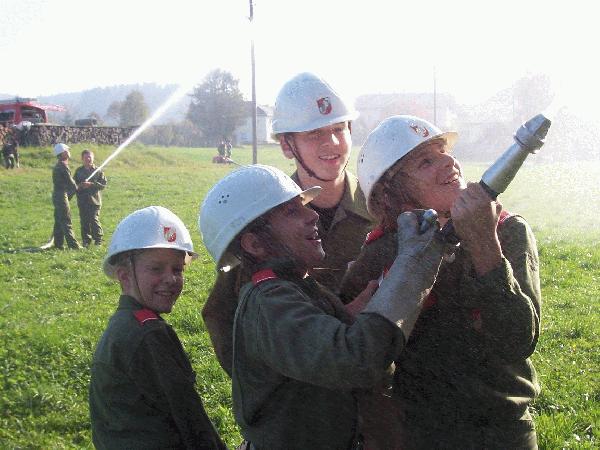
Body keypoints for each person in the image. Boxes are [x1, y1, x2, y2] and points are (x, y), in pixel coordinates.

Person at [199, 164, 446, 450]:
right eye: (291, 212)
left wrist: (347, 316)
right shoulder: (269, 303)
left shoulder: (290, 286)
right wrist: (415, 263)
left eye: (303, 206)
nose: (313, 215)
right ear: (254, 244)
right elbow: (354, 360)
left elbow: (316, 341)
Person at [340, 115, 542, 449]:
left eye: (444, 152)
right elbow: (352, 352)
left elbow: (517, 341)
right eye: (425, 161)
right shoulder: (381, 252)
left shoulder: (506, 231)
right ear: (391, 194)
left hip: (503, 429)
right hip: (420, 432)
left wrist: (484, 245)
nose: (448, 162)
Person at [202, 72, 373, 377]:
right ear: (286, 145)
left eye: (339, 129)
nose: (332, 143)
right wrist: (267, 389)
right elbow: (221, 315)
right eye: (314, 133)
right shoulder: (257, 219)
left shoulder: (379, 204)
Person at [89, 206, 227, 450]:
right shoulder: (148, 334)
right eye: (156, 268)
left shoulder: (125, 323)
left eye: (177, 269)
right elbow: (191, 419)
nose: (171, 279)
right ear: (124, 276)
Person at [74, 149, 107, 246]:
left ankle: (98, 240)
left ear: (93, 158)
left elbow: (103, 185)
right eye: (86, 157)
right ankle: (86, 241)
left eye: (90, 157)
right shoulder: (78, 171)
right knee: (84, 221)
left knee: (94, 220)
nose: (88, 159)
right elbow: (74, 185)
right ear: (82, 159)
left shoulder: (98, 171)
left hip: (94, 201)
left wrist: (91, 184)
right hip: (82, 201)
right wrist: (80, 185)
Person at [52, 143, 81, 249]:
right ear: (63, 153)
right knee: (66, 219)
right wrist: (78, 187)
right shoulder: (63, 166)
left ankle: (58, 244)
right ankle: (73, 245)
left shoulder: (59, 165)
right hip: (61, 195)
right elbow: (70, 182)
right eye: (67, 150)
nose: (69, 152)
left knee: (59, 220)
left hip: (57, 195)